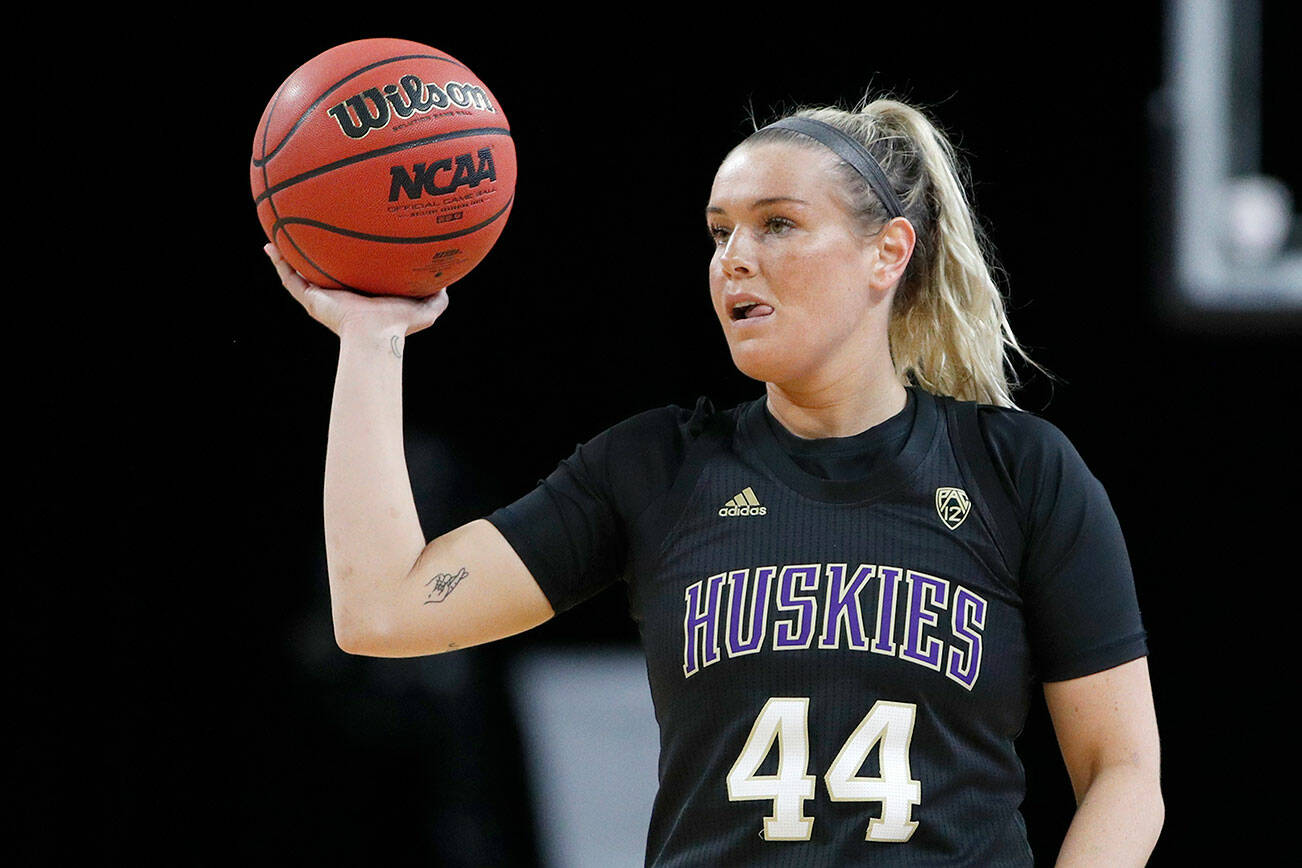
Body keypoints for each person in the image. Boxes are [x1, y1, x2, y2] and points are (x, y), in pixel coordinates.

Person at [265, 97, 1163, 866]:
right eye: (719, 231)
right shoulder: (657, 467)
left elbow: (1123, 773)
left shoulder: (1017, 471)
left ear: (888, 252)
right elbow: (383, 610)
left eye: (777, 223)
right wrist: (370, 340)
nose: (734, 256)